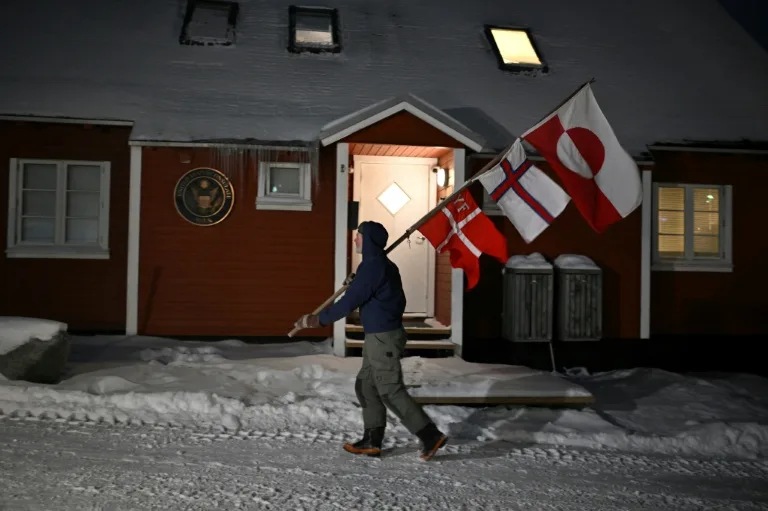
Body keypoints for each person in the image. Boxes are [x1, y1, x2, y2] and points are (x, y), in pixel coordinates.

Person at [294, 221, 447, 461]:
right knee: (366, 387)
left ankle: (430, 435)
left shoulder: (374, 268)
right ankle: (372, 440)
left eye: (358, 236)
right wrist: (356, 283)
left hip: (383, 338)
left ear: (369, 240)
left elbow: (348, 303)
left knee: (390, 390)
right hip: (378, 337)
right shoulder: (378, 266)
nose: (355, 240)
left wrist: (317, 320)